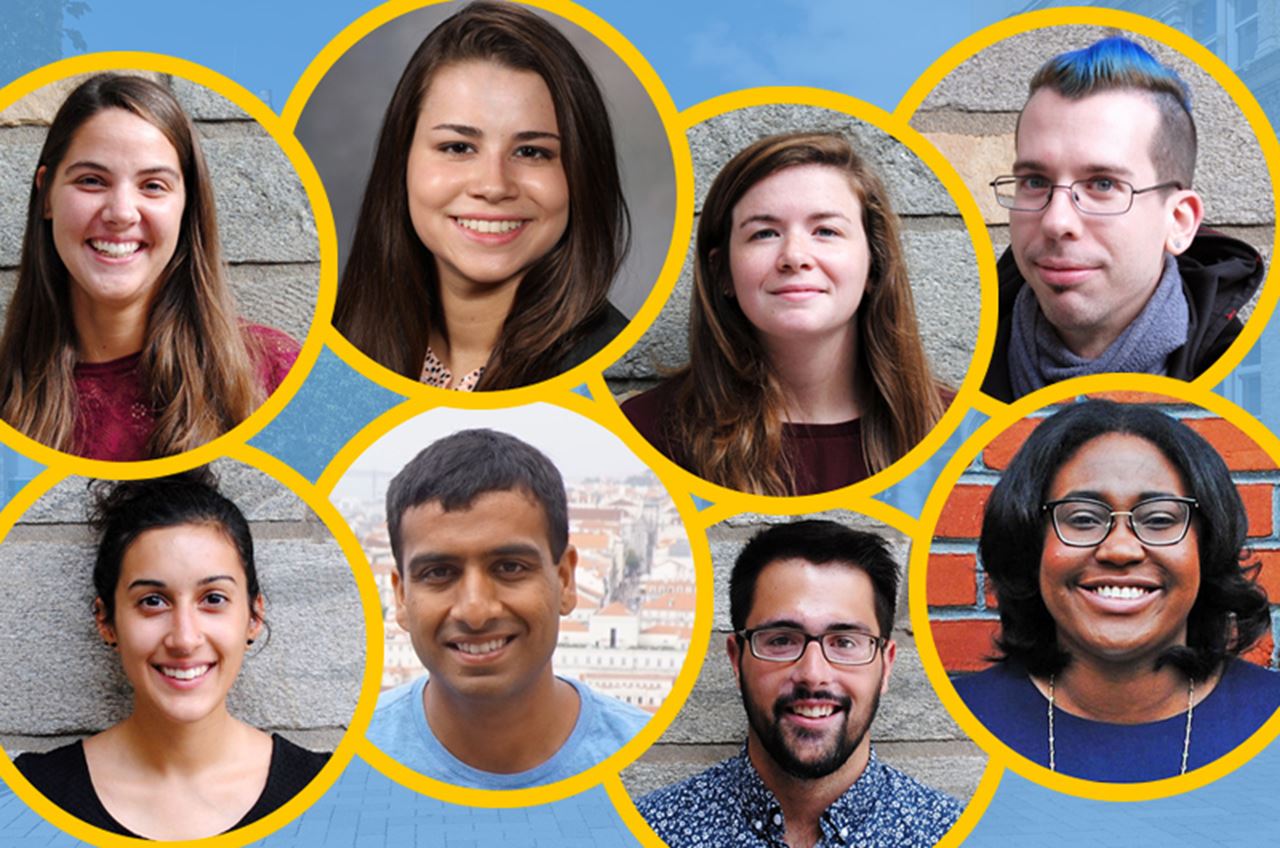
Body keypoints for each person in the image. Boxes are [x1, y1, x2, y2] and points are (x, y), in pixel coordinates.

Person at [952, 400, 1280, 781]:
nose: (1120, 549)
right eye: (1083, 519)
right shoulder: (959, 722)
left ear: (1206, 547)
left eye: (1159, 519)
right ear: (1031, 545)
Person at [621, 132, 949, 496]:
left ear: (874, 264)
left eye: (826, 230)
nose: (794, 255)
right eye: (764, 233)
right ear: (723, 273)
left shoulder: (951, 432)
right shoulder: (642, 437)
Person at [0, 74, 299, 461]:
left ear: (186, 207)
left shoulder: (274, 374)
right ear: (47, 196)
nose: (121, 213)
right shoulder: (8, 395)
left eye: (153, 185)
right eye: (91, 181)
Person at [334, 1, 630, 391]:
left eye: (531, 152)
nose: (493, 186)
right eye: (458, 147)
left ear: (582, 176)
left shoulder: (614, 377)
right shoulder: (334, 353)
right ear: (401, 160)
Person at [14, 473, 328, 839]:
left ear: (254, 617)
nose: (184, 638)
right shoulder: (33, 793)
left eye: (213, 599)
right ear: (107, 621)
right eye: (152, 601)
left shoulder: (326, 790)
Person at [638, 520, 961, 847]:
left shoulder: (952, 833)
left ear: (886, 665)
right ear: (737, 660)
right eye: (781, 640)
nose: (813, 674)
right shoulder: (651, 830)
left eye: (845, 642)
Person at [983, 37, 1263, 401]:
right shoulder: (961, 371)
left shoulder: (1247, 388)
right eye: (1035, 182)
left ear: (1179, 221)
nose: (1056, 221)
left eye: (1103, 184)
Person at [367, 428, 649, 788]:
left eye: (510, 567)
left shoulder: (643, 754)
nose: (475, 611)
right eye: (439, 573)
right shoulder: (346, 759)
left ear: (565, 580)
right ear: (402, 597)